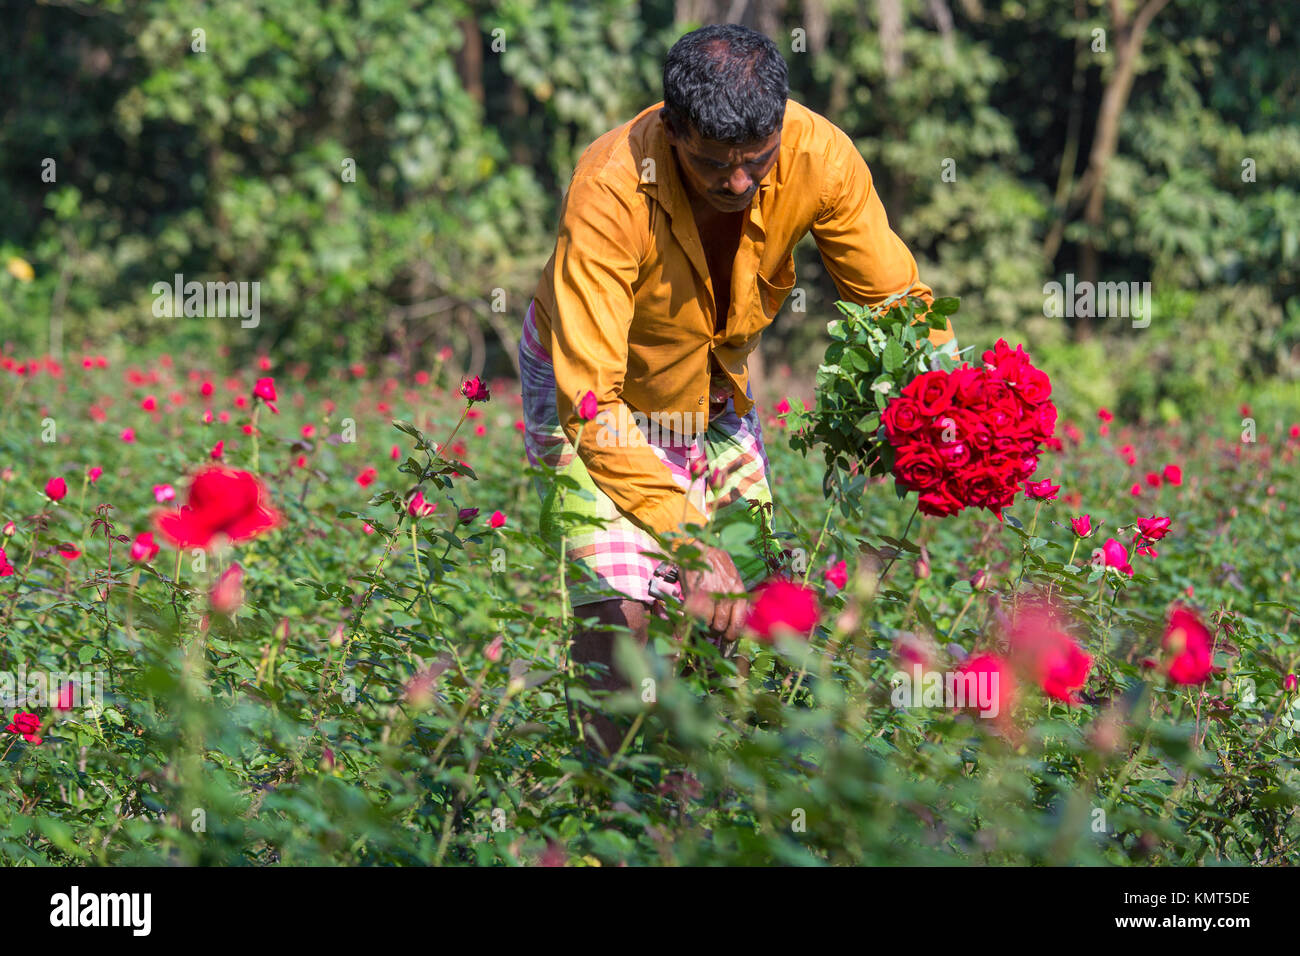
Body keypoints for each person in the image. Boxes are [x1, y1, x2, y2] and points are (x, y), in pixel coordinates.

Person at [519, 23, 954, 752]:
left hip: (712, 393)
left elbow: (894, 305)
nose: (740, 182)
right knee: (622, 614)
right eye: (715, 164)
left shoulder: (821, 156)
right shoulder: (609, 189)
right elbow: (590, 402)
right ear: (673, 127)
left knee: (734, 611)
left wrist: (956, 398)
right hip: (599, 399)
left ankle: (691, 797)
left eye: (757, 161)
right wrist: (687, 537)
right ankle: (607, 803)